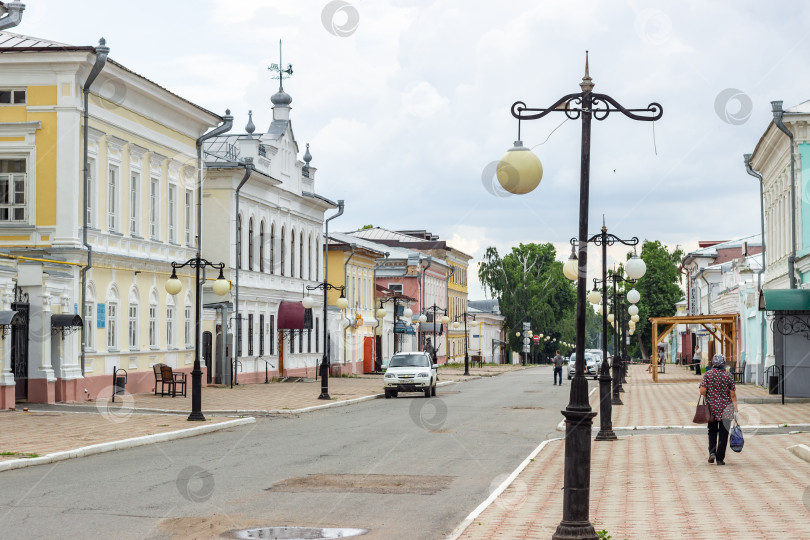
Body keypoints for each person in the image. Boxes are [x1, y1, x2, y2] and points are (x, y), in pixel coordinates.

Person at [698, 354, 738, 465]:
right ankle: (720, 459)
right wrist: (736, 410)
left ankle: (712, 453)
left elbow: (702, 391)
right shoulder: (728, 376)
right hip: (727, 409)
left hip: (712, 409)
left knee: (712, 431)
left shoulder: (707, 375)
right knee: (724, 433)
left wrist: (711, 395)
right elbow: (733, 394)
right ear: (723, 364)